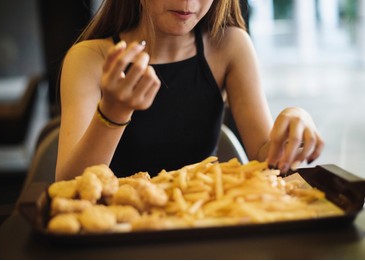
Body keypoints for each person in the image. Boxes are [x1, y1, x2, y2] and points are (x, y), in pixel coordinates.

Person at [55, 0, 324, 181]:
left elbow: (267, 159)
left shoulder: (229, 46)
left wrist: (295, 123)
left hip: (202, 229)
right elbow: (67, 187)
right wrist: (112, 113)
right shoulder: (89, 58)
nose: (187, 1)